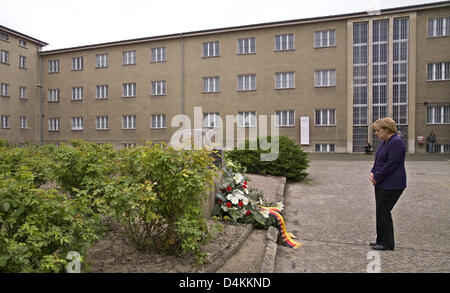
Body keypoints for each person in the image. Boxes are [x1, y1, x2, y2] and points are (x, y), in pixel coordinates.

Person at [369, 117, 406, 251]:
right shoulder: (385, 141)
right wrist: (373, 173)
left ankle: (388, 243)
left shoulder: (396, 142)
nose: (376, 133)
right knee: (380, 212)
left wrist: (377, 176)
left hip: (392, 184)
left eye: (378, 131)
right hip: (382, 183)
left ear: (386, 130)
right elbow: (378, 159)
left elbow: (391, 164)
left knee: (384, 212)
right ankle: (380, 240)